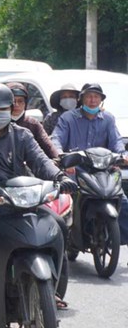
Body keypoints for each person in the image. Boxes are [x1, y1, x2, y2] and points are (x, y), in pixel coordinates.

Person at [0, 83, 76, 316]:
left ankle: (55, 290)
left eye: (3, 109)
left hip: (18, 200)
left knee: (57, 224)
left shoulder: (22, 134)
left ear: (11, 109)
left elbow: (41, 161)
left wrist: (60, 177)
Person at [50, 83, 128, 246]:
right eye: (89, 96)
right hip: (76, 170)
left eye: (96, 97)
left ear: (101, 100)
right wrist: (62, 157)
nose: (93, 100)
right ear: (82, 99)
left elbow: (117, 142)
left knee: (123, 201)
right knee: (64, 200)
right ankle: (62, 241)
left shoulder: (108, 119)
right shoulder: (68, 118)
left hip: (103, 170)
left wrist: (123, 155)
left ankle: (121, 241)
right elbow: (56, 139)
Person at [6, 82, 58, 160]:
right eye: (13, 101)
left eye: (20, 101)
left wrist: (59, 158)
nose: (16, 105)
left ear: (25, 103)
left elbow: (47, 145)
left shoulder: (32, 124)